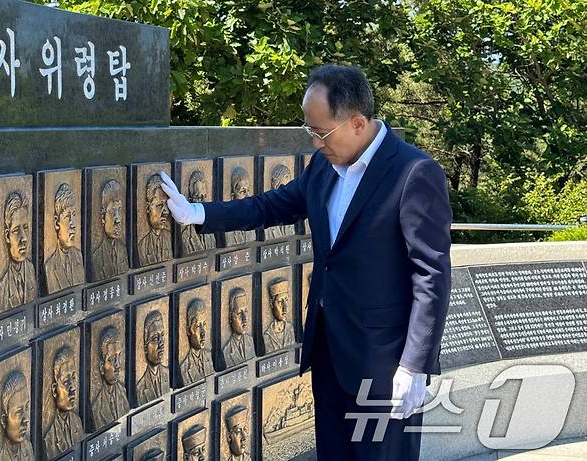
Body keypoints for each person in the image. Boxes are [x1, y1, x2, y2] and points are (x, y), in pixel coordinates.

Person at [159, 64, 452, 460]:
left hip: (383, 365)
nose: (315, 142)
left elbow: (430, 275)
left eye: (321, 132)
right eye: (309, 130)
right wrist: (199, 213)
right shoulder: (325, 168)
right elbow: (271, 206)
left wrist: (414, 366)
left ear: (358, 124)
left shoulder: (413, 173)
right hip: (330, 353)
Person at [0, 191, 37, 312]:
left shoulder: (31, 270)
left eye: (26, 228)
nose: (24, 238)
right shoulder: (0, 290)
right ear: (7, 236)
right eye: (16, 230)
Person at [43, 346, 84, 459]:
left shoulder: (77, 422)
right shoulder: (49, 437)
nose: (73, 388)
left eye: (74, 378)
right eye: (66, 382)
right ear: (54, 390)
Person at [44, 183, 84, 293]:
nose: (73, 224)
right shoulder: (50, 266)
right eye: (67, 217)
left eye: (74, 215)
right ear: (57, 222)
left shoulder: (79, 257)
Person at [90, 326, 130, 430]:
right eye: (112, 359)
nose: (117, 365)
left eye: (118, 357)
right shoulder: (96, 408)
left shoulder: (123, 394)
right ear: (101, 367)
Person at [91, 179, 129, 281]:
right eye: (113, 211)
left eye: (119, 210)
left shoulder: (123, 250)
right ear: (103, 217)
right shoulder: (96, 258)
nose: (118, 219)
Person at [0, 370, 34, 461]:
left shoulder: (28, 448)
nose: (27, 419)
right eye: (19, 412)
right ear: (4, 420)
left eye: (27, 408)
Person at [137, 174, 173, 265]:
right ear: (148, 207)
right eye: (159, 205)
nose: (166, 212)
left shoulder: (170, 238)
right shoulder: (142, 246)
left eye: (167, 205)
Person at [136, 310, 170, 404]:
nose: (161, 343)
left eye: (162, 335)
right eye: (155, 338)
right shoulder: (140, 388)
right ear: (145, 346)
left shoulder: (167, 374)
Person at [222, 287, 255, 367]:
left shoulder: (250, 341)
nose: (244, 318)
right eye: (239, 313)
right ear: (230, 317)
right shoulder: (226, 351)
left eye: (245, 312)